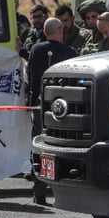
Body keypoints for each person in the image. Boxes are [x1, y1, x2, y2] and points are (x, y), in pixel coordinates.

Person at [25, 18, 78, 205]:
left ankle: (38, 190)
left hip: (38, 104)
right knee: (61, 146)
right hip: (61, 109)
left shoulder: (36, 49)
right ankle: (62, 189)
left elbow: (30, 76)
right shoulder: (70, 53)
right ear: (61, 30)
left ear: (45, 32)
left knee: (38, 146)